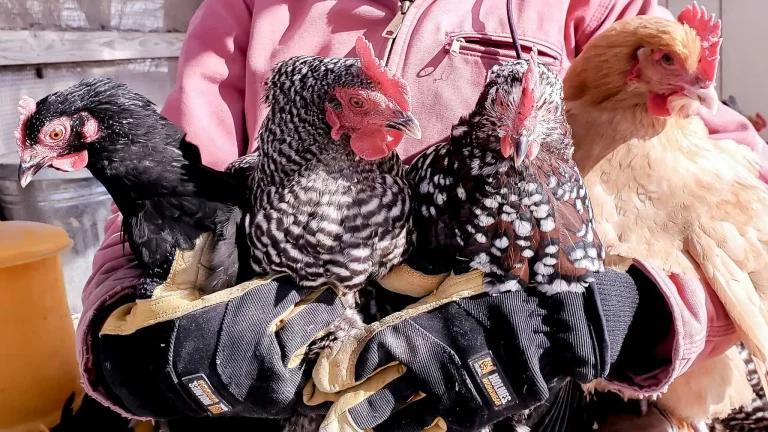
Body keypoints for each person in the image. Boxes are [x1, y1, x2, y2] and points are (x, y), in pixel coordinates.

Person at [76, 0, 766, 430]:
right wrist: (128, 321)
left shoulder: (596, 9)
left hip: (517, 380)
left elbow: (746, 200)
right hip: (292, 363)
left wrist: (627, 314)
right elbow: (165, 177)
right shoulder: (254, 7)